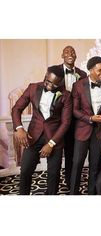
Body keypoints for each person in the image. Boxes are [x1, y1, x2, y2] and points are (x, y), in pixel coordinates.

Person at [12, 66, 72, 195]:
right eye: (48, 81)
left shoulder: (66, 96)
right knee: (26, 170)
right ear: (45, 76)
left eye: (54, 84)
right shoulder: (33, 88)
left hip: (54, 138)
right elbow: (16, 108)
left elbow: (66, 123)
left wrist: (51, 143)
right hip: (33, 136)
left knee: (53, 175)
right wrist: (19, 128)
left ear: (60, 83)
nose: (49, 86)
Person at [70, 56, 101, 195]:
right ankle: (73, 194)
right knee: (77, 164)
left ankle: (92, 194)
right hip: (82, 131)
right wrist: (89, 118)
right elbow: (75, 110)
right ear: (90, 70)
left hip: (99, 132)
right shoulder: (78, 85)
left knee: (95, 165)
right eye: (100, 70)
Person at [54, 45, 87, 189]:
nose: (70, 54)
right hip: (58, 118)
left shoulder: (82, 73)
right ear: (62, 55)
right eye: (67, 51)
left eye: (73, 52)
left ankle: (70, 181)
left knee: (71, 151)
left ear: (76, 56)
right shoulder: (54, 71)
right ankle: (53, 184)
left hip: (76, 119)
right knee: (56, 151)